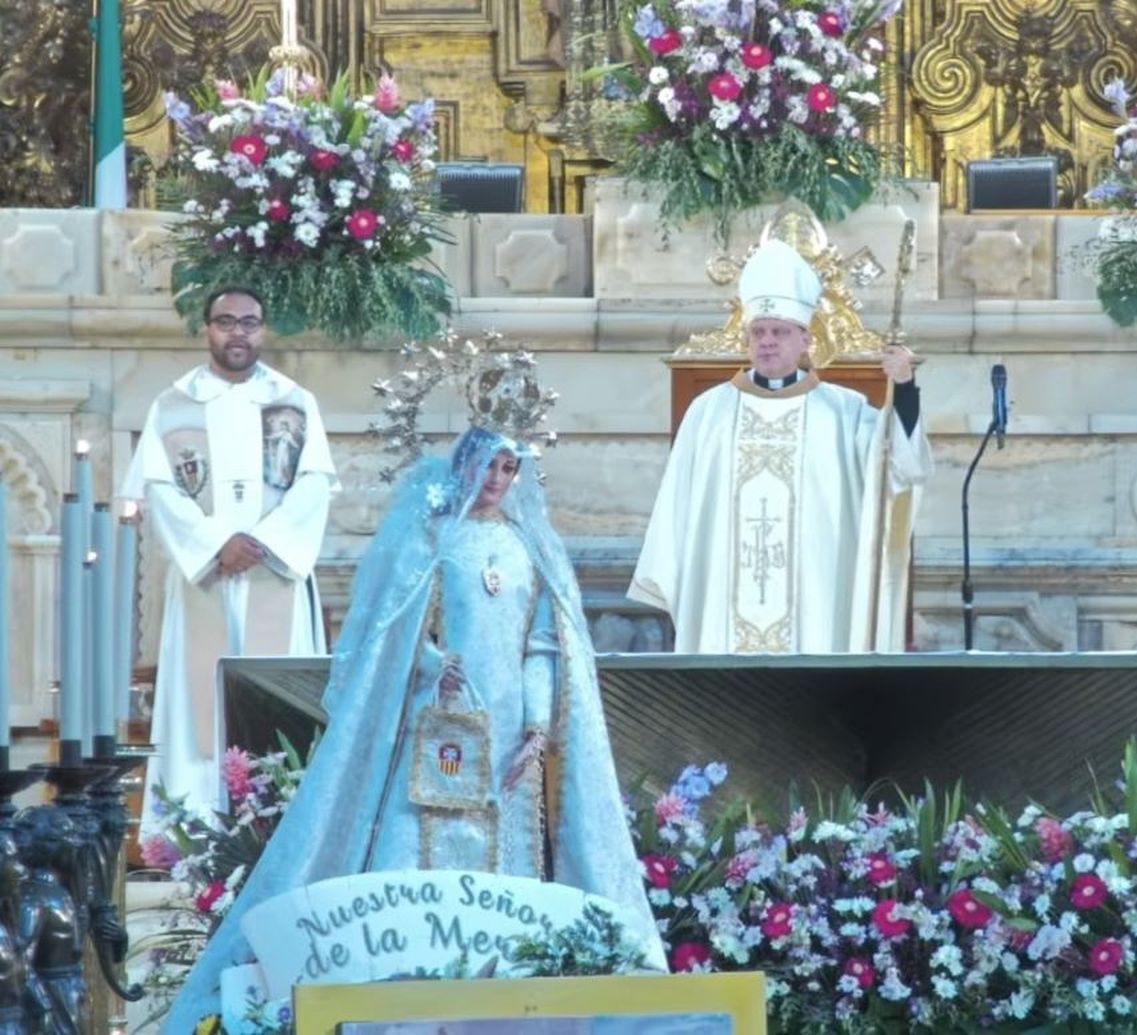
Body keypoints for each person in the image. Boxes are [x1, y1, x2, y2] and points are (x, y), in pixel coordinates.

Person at [165, 423, 665, 1031]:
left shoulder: (528, 548)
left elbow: (541, 646)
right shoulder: (432, 538)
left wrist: (536, 728)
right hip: (439, 730)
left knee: (507, 878)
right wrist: (432, 670)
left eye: (509, 470)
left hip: (508, 746)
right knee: (412, 861)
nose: (496, 481)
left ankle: (500, 1012)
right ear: (466, 466)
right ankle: (402, 1010)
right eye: (488, 466)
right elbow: (393, 632)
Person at [628, 238, 933, 653]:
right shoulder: (709, 412)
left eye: (779, 332)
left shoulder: (843, 412)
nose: (767, 341)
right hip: (723, 603)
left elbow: (897, 466)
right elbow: (678, 509)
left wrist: (905, 389)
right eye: (758, 332)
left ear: (806, 340)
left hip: (818, 606)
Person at [122, 287, 337, 836]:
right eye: (225, 322)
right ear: (206, 329)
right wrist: (217, 545)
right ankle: (195, 836)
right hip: (207, 581)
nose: (238, 332)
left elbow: (314, 483)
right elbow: (160, 490)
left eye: (249, 322)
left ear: (263, 330)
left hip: (273, 576)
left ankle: (280, 829)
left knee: (277, 697)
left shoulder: (294, 401)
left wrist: (262, 542)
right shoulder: (174, 405)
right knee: (202, 705)